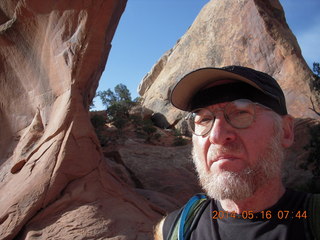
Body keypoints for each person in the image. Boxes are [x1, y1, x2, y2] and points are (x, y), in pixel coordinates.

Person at [154, 66, 319, 240]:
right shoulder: (173, 230)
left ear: (286, 131)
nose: (216, 136)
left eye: (240, 113)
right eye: (204, 119)